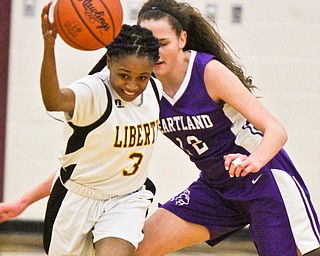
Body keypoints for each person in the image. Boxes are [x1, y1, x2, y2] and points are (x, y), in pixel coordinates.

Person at [127, 0, 319, 255]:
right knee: (137, 247)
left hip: (263, 183)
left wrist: (253, 161)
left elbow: (276, 130)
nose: (156, 53)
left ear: (182, 39)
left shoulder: (208, 71)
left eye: (163, 44)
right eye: (149, 45)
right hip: (216, 188)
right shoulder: (143, 84)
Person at [1, 2, 161, 256]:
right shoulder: (93, 91)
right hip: (77, 199)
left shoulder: (154, 90)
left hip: (126, 198)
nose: (132, 85)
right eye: (124, 75)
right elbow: (53, 100)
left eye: (141, 77)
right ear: (108, 61)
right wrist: (49, 47)